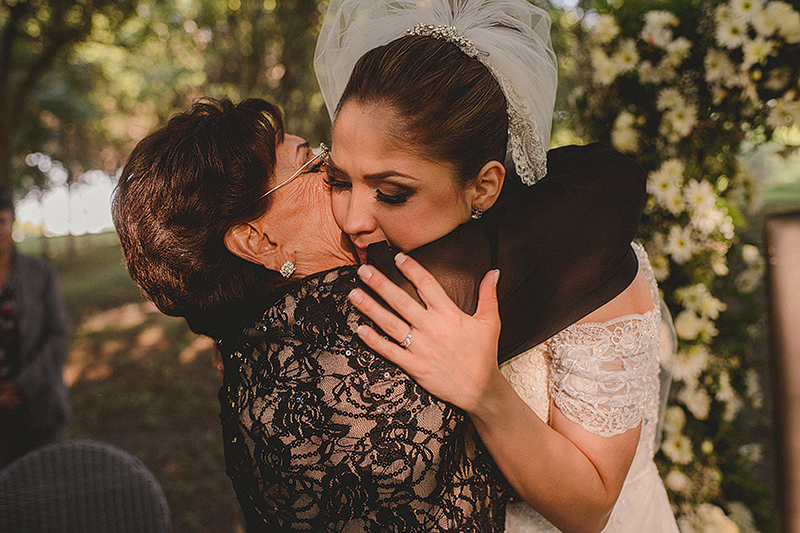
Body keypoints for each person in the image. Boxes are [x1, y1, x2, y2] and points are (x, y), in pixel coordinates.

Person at [112, 93, 646, 531]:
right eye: (313, 164)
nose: (335, 174)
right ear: (256, 240)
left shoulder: (248, 359)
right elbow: (604, 188)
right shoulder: (385, 300)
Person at [314, 1, 679, 532]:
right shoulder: (393, 254)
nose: (352, 219)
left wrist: (483, 390)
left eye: (391, 192)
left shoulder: (582, 263)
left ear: (483, 186)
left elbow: (592, 506)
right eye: (340, 181)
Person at [0, 186, 71, 470]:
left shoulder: (39, 273)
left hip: (38, 409)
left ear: (12, 222)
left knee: (45, 491)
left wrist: (20, 386)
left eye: (1, 221)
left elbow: (59, 335)